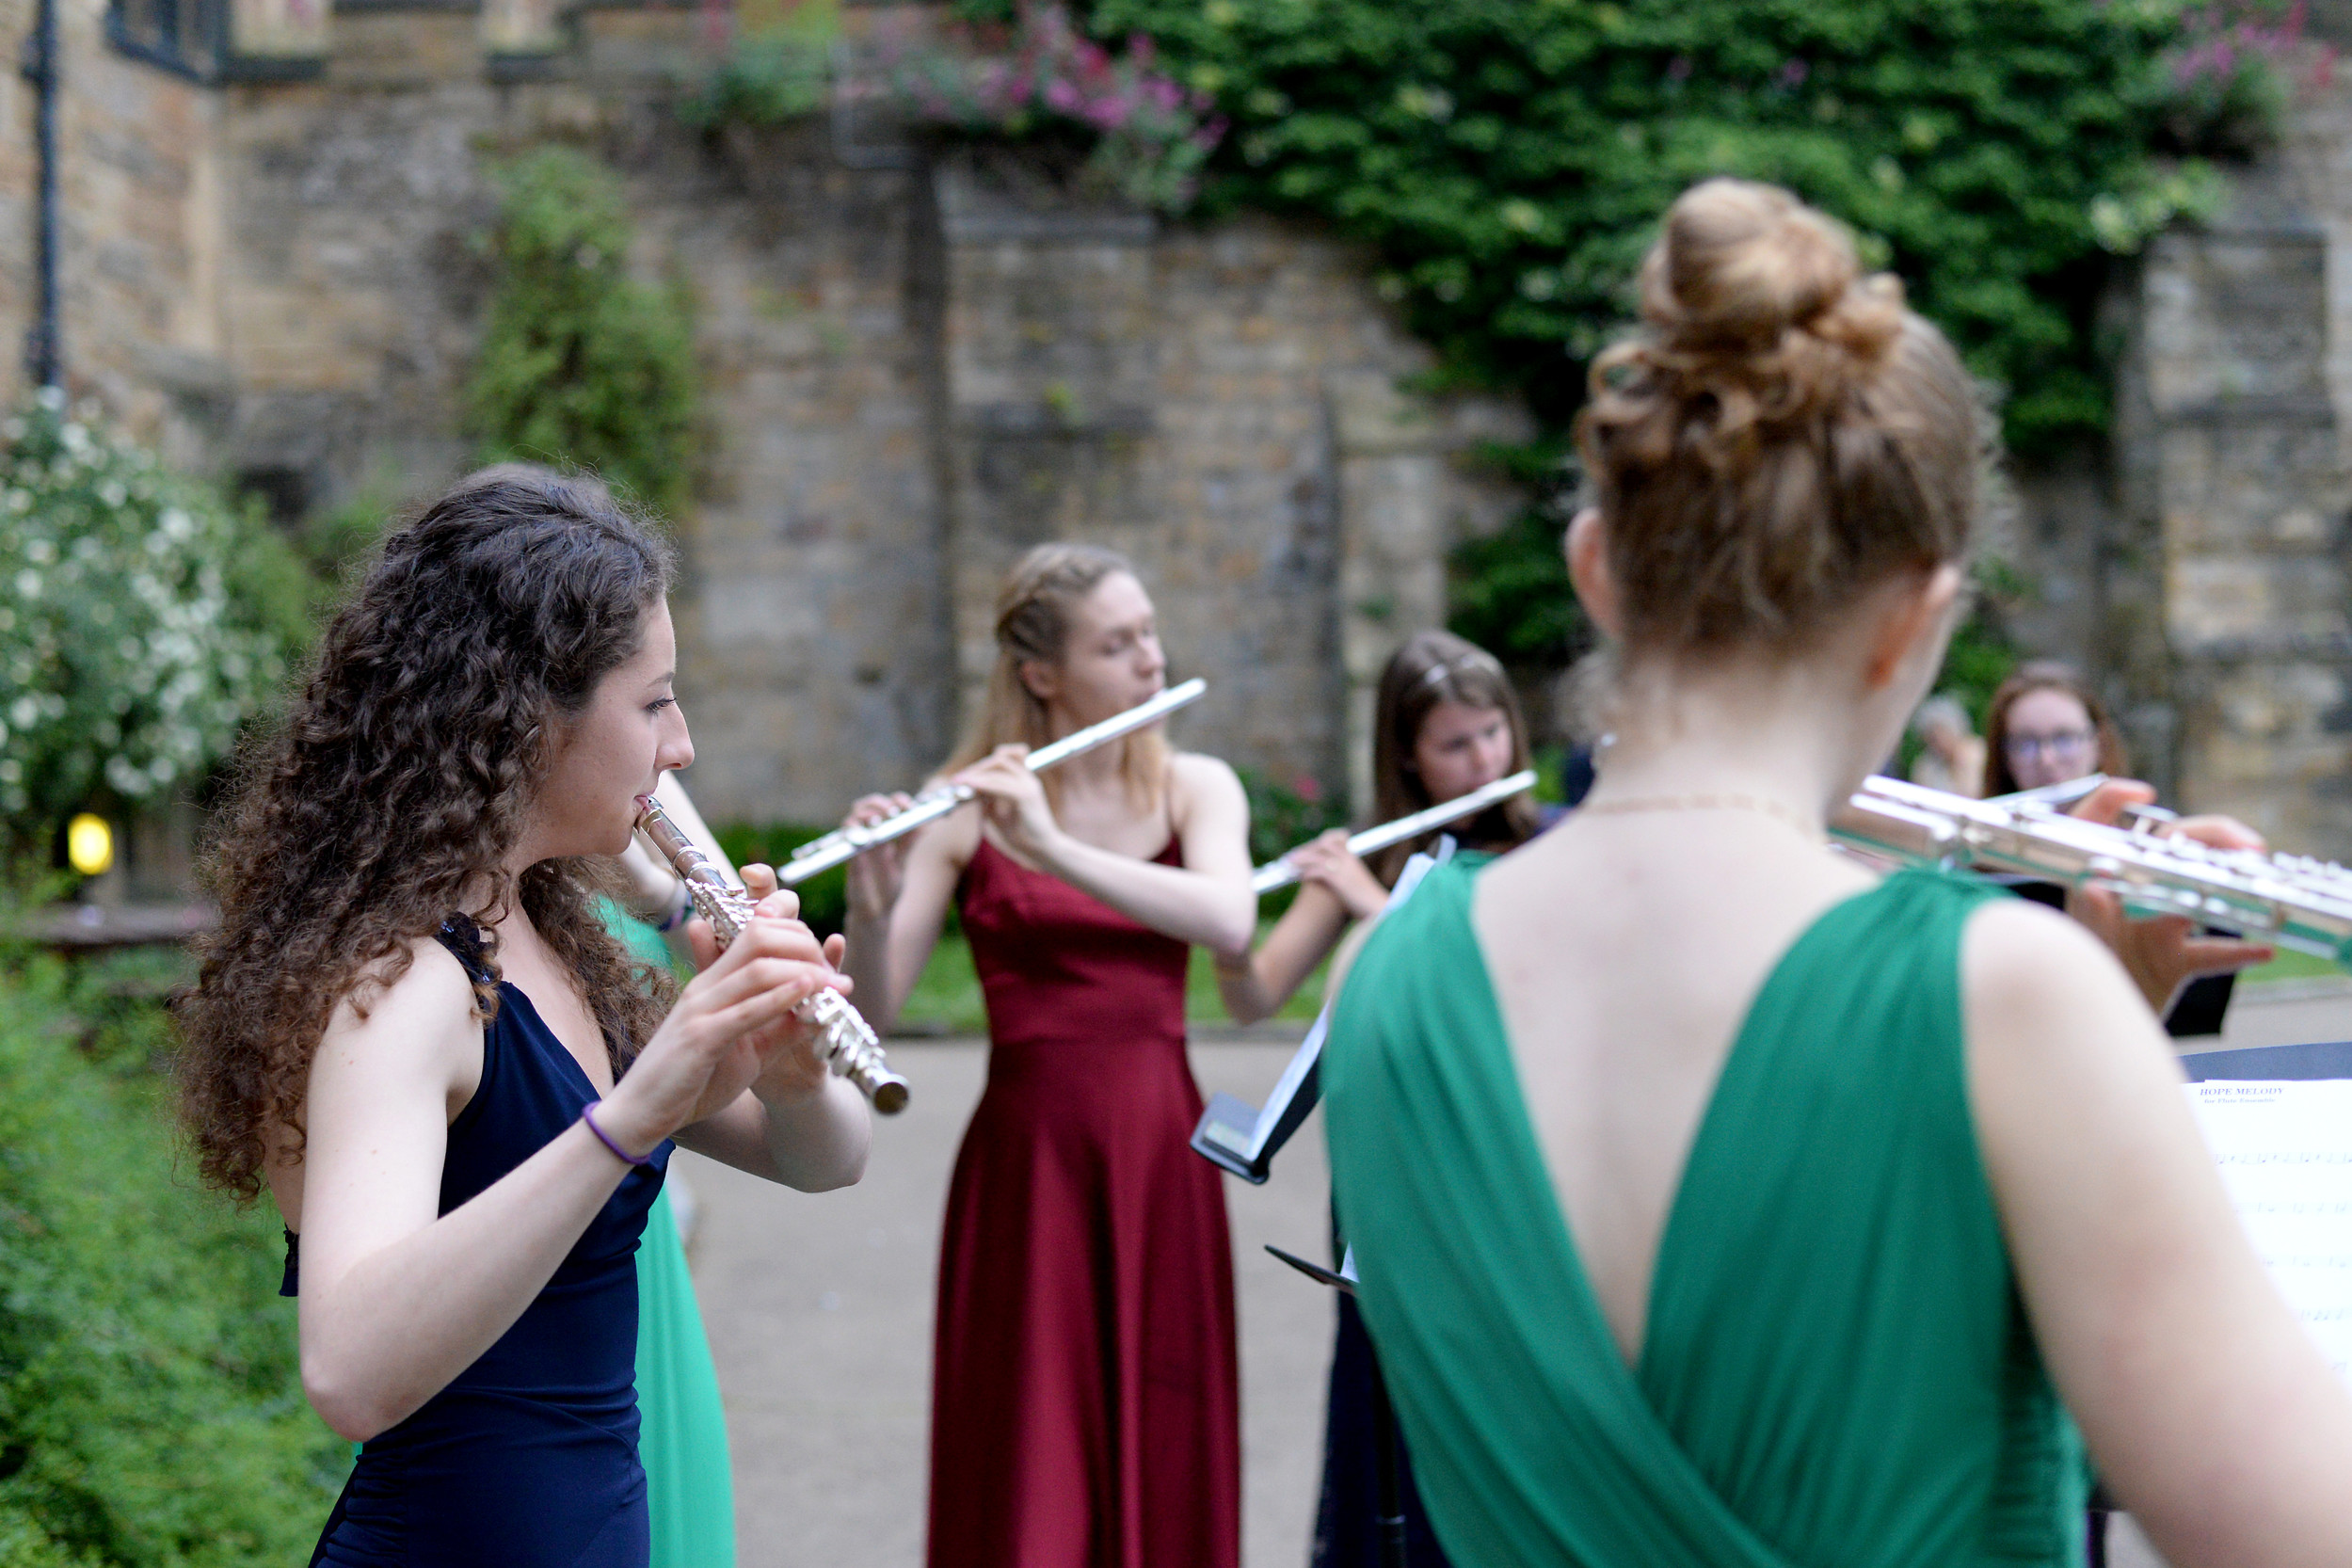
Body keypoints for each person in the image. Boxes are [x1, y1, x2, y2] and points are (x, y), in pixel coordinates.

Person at [1320, 178, 2352, 1568]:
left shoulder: (1389, 970)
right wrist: (2076, 1032)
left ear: (1593, 570)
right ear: (1915, 621)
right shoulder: (1997, 1000)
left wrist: (2104, 1002)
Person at [175, 475, 872, 1567]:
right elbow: (348, 1372)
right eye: (653, 703)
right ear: (527, 714)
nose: (680, 746)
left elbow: (828, 1161)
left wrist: (786, 1072)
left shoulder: (546, 935)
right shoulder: (404, 984)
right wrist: (634, 1116)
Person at [837, 542, 1256, 1568]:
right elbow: (876, 1012)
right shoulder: (964, 804)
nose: (1151, 661)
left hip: (1161, 1151)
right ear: (1043, 675)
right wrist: (870, 897)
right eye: (1118, 645)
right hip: (1030, 1167)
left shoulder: (1197, 785)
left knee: (1163, 1423)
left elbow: (1232, 922)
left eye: (1149, 633)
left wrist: (1056, 850)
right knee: (1030, 1455)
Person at [1217, 629, 1546, 1568]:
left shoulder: (1550, 848)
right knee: (1387, 1414)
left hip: (1504, 1174)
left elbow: (1509, 990)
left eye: (1494, 735)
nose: (1485, 760)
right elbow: (1251, 996)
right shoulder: (1375, 853)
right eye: (1456, 744)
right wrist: (1230, 917)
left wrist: (1377, 909)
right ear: (1407, 753)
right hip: (1389, 1183)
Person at [1981, 661, 2127, 796]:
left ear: (2099, 744)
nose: (2046, 760)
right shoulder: (1978, 822)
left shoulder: (2138, 823)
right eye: (2026, 744)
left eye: (2064, 739)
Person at [1905, 693, 1985, 797]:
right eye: (1931, 739)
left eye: (1940, 734)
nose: (1937, 743)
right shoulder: (1925, 767)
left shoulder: (1977, 751)